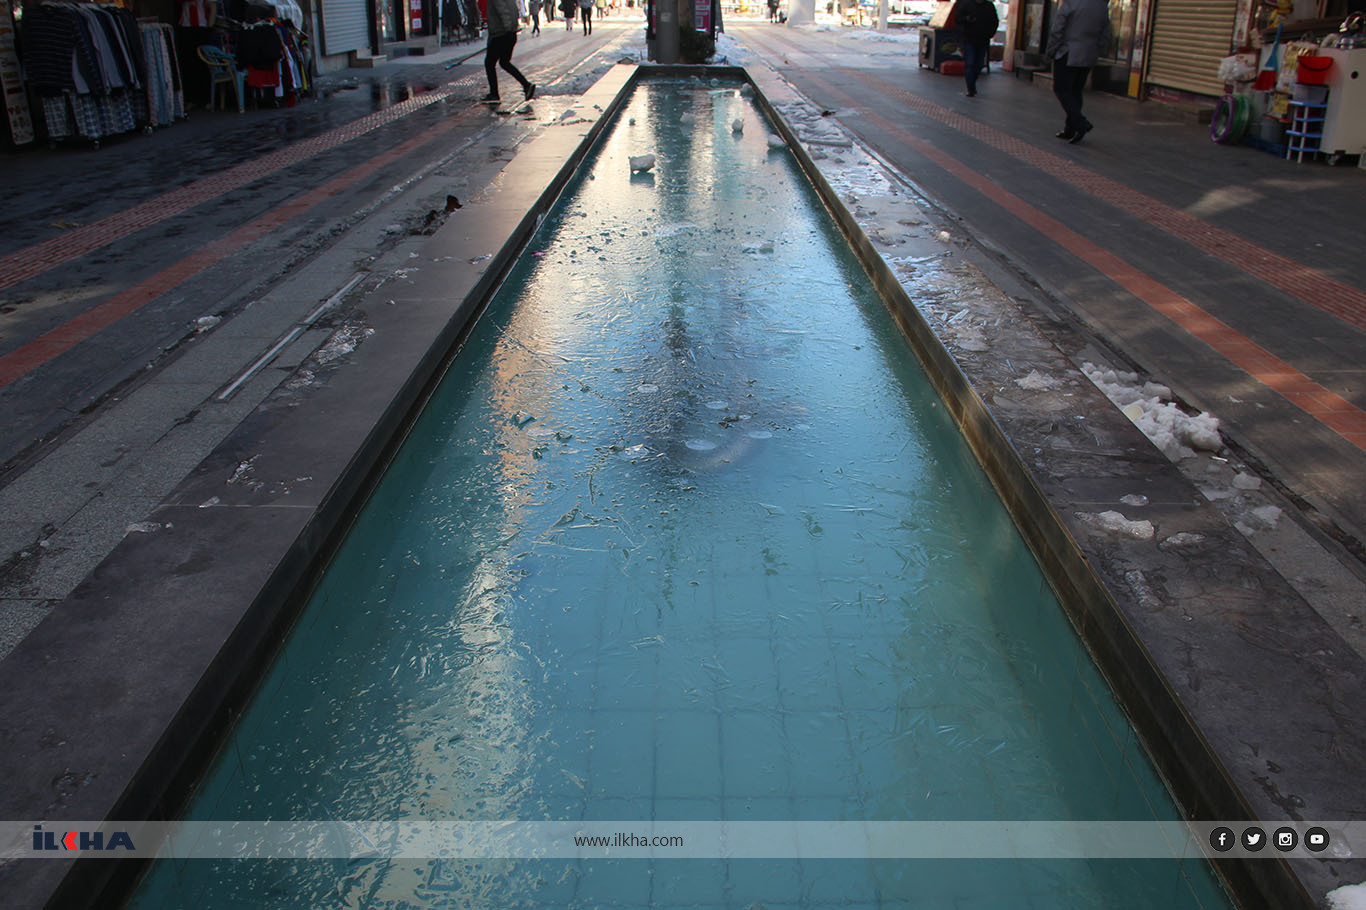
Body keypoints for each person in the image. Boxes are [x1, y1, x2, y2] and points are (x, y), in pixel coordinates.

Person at [1045, 0, 1110, 143]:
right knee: (1075, 91)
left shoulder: (1071, 2)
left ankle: (1081, 123)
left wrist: (1050, 51)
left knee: (1061, 89)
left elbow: (1057, 29)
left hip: (1068, 52)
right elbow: (1105, 32)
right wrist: (1098, 50)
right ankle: (1070, 129)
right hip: (1088, 54)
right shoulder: (1102, 5)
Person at [483, 0, 536, 104]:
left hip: (501, 34)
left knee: (489, 63)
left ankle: (494, 94)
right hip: (509, 33)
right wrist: (512, 29)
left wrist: (507, 29)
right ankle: (526, 85)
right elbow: (515, 11)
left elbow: (503, 12)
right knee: (504, 62)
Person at [951, 0, 998, 97]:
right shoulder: (967, 5)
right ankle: (970, 88)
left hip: (983, 40)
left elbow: (994, 21)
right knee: (970, 64)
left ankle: (972, 84)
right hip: (969, 39)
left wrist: (990, 34)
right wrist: (966, 19)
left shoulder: (989, 6)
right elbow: (957, 18)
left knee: (979, 65)